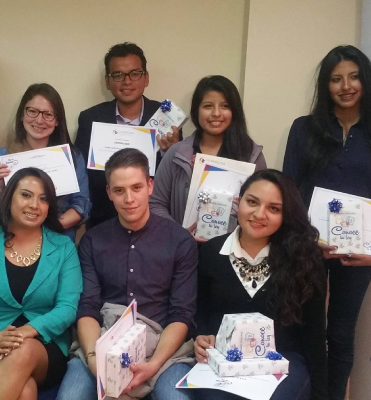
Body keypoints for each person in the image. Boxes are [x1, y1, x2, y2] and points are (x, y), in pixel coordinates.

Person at [282, 45, 371, 400]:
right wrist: (300, 240)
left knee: (340, 334)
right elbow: (289, 189)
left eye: (354, 77)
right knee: (304, 331)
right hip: (308, 249)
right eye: (336, 79)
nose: (346, 86)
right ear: (326, 85)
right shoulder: (304, 129)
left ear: (366, 82)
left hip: (358, 253)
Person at [56, 148, 198, 400]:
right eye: (119, 190)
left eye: (136, 187)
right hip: (103, 341)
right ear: (109, 193)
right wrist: (94, 358)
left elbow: (182, 313)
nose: (129, 198)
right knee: (70, 397)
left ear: (150, 186)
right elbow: (88, 306)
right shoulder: (93, 240)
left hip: (163, 350)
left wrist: (153, 365)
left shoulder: (179, 240)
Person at [195, 169, 327, 400]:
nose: (259, 214)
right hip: (224, 361)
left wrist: (321, 394)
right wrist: (200, 337)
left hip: (284, 362)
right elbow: (200, 311)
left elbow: (314, 334)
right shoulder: (211, 251)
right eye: (252, 202)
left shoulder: (304, 259)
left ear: (286, 215)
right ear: (239, 201)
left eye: (273, 208)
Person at [0, 168, 82, 400]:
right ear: (9, 197)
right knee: (25, 391)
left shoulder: (64, 247)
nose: (34, 205)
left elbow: (67, 308)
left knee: (24, 350)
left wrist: (26, 331)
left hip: (44, 344)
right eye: (26, 195)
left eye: (43, 198)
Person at [74, 42, 183, 229]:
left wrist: (170, 151)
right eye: (118, 75)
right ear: (107, 81)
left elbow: (176, 181)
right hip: (103, 222)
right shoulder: (90, 119)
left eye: (135, 73)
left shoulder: (167, 117)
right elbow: (82, 176)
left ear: (146, 78)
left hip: (155, 222)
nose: (127, 81)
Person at [150, 75, 267, 240]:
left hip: (234, 249)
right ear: (196, 110)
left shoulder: (252, 156)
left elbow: (263, 207)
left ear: (234, 111)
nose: (216, 113)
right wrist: (179, 235)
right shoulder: (177, 153)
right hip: (183, 249)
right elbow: (155, 203)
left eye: (225, 106)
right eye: (208, 106)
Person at [0, 83, 91, 241]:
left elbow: (81, 205)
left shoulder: (72, 157)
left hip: (57, 239)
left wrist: (48, 227)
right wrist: (1, 189)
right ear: (22, 114)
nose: (39, 120)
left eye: (48, 114)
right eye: (32, 111)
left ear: (57, 120)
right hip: (11, 240)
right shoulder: (1, 157)